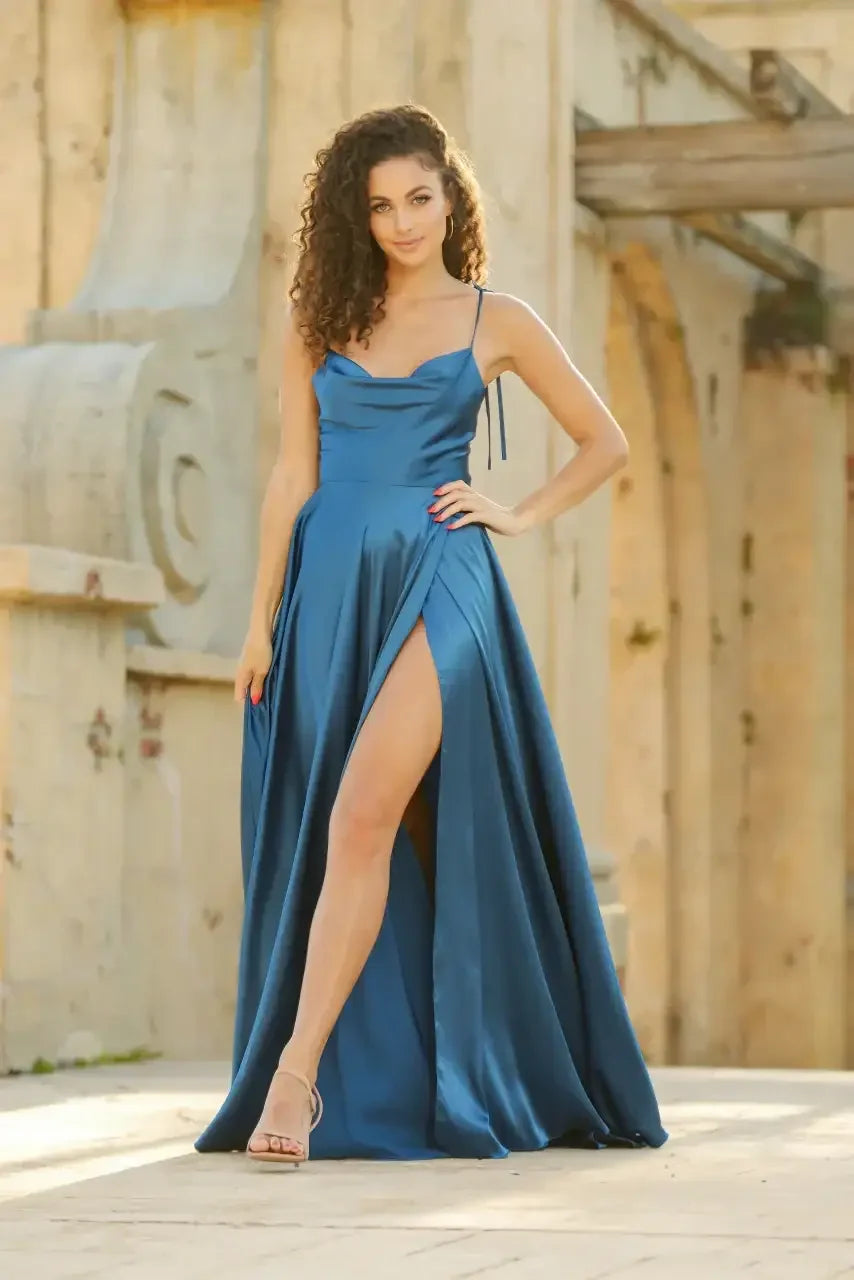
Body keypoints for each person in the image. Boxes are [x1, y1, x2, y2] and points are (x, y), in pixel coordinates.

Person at [195, 104, 667, 1164]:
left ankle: (294, 1079)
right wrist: (258, 622)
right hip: (328, 586)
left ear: (450, 197)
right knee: (364, 830)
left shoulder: (495, 318)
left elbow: (604, 440)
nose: (403, 221)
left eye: (418, 197)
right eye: (379, 205)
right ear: (354, 218)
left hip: (441, 576)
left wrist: (516, 511)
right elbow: (291, 476)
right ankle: (415, 1062)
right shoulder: (319, 315)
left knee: (362, 812)